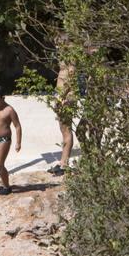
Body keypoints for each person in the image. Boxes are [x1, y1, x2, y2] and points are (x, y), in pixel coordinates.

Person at [51, 46, 76, 177]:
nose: (57, 47)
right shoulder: (64, 61)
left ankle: (64, 163)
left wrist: (61, 96)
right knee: (63, 129)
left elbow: (70, 77)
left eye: (60, 43)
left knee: (66, 130)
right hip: (61, 96)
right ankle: (62, 160)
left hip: (66, 97)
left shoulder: (70, 61)